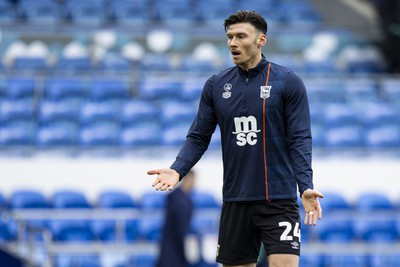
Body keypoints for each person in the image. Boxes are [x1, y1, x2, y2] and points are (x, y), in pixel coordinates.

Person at [148, 10, 324, 267]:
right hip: (235, 201)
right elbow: (198, 136)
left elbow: (300, 138)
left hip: (279, 200)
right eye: (230, 36)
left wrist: (305, 185)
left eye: (241, 36)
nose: (233, 42)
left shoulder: (287, 81)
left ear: (261, 40)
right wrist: (178, 170)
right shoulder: (216, 85)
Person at [156, 170, 196, 267]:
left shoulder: (176, 197)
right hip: (175, 248)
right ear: (189, 179)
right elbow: (182, 228)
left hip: (168, 244)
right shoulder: (182, 202)